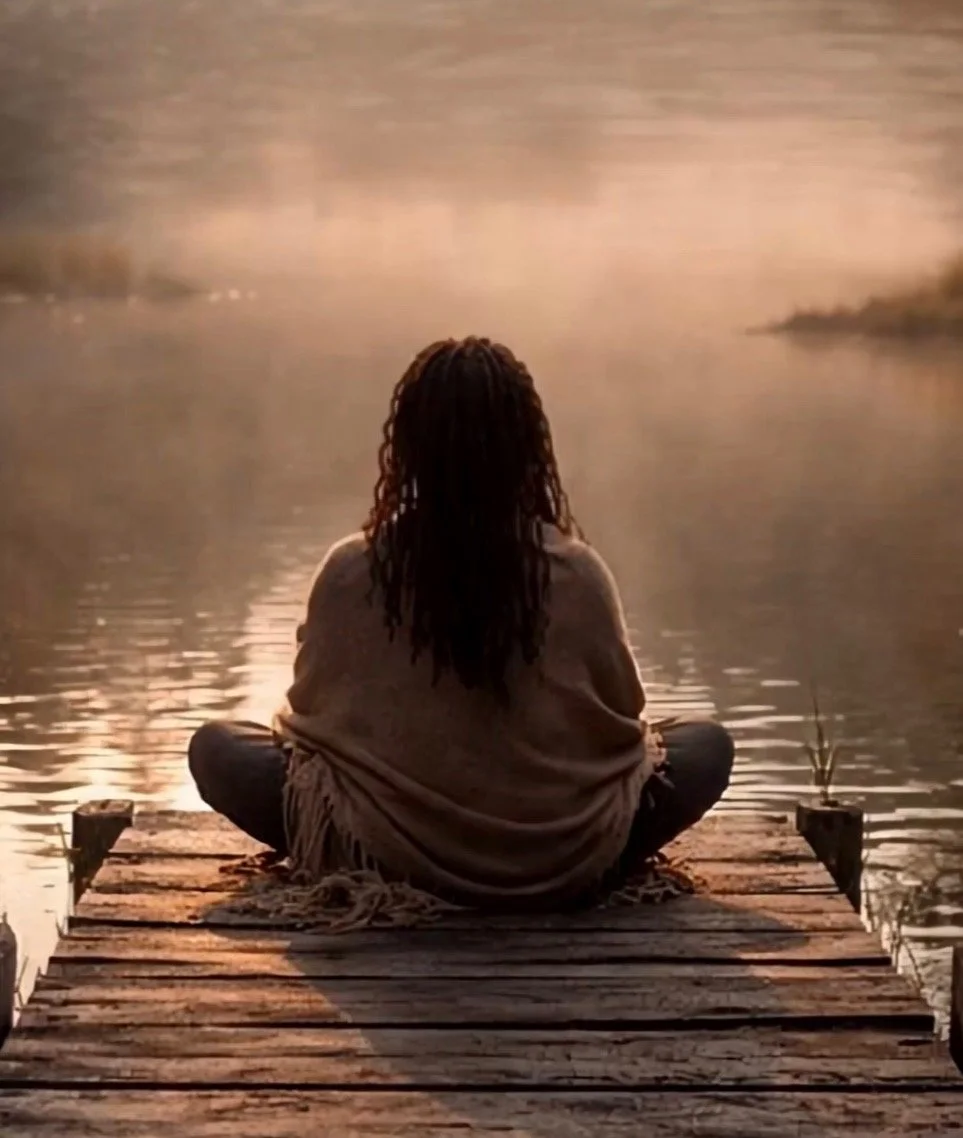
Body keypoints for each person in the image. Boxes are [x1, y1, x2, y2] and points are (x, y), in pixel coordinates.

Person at [189, 337, 733, 907]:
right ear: (527, 448)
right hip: (559, 857)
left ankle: (397, 853)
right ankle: (551, 858)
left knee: (218, 748)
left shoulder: (352, 568)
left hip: (380, 851)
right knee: (705, 746)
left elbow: (309, 713)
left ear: (408, 446)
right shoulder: (578, 572)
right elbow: (623, 716)